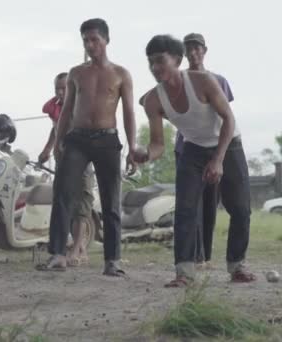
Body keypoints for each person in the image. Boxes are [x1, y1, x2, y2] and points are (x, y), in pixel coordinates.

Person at [137, 34, 255, 287]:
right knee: (185, 210)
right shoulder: (153, 100)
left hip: (228, 144)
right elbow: (158, 144)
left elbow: (229, 119)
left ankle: (237, 266)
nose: (155, 68)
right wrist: (145, 154)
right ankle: (184, 272)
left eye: (160, 61)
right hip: (193, 149)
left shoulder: (202, 81)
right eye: (151, 63)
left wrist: (218, 160)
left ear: (177, 60)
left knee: (240, 208)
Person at [37, 18, 137, 276]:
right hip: (77, 139)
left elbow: (128, 113)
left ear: (106, 40)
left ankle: (112, 260)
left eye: (95, 40)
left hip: (107, 139)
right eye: (86, 41)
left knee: (110, 199)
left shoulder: (121, 74)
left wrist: (133, 148)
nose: (90, 45)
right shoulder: (76, 73)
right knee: (63, 195)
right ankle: (57, 254)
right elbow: (67, 110)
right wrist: (58, 142)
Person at [182, 33, 234, 268]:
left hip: (214, 150)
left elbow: (226, 117)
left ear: (204, 50)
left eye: (197, 48)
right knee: (190, 204)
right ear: (184, 53)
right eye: (189, 49)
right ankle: (195, 256)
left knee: (210, 204)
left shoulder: (219, 80)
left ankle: (207, 255)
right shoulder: (179, 81)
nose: (193, 53)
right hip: (187, 147)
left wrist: (220, 156)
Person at [39, 72, 95, 267]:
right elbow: (55, 129)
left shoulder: (82, 106)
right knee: (63, 203)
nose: (61, 92)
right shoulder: (55, 107)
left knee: (81, 204)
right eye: (57, 89)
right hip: (62, 158)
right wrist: (47, 150)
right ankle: (72, 248)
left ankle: (78, 248)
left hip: (82, 160)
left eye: (64, 88)